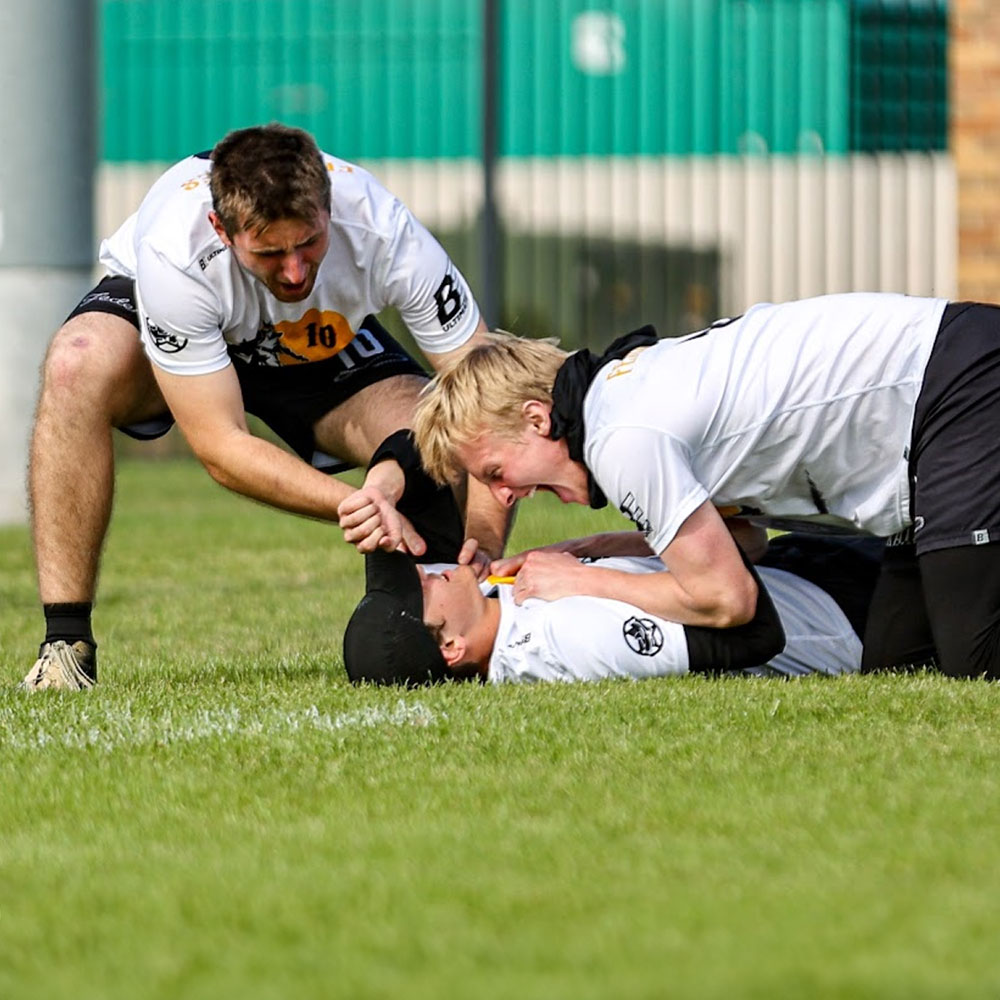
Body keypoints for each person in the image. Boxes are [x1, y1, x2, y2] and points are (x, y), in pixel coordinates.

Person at [23, 122, 507, 691]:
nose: (296, 271)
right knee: (75, 364)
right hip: (186, 326)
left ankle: (448, 619)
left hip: (313, 343)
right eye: (272, 252)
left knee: (431, 428)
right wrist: (361, 504)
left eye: (309, 243)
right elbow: (221, 447)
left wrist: (488, 543)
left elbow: (486, 397)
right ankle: (66, 643)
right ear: (221, 230)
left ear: (329, 206)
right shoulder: (174, 252)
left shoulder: (382, 225)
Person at [413, 295, 1000, 680]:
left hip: (953, 387)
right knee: (895, 668)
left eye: (494, 472)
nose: (506, 493)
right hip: (930, 412)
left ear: (538, 420)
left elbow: (730, 600)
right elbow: (747, 544)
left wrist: (583, 580)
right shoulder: (615, 396)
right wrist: (615, 546)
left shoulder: (622, 438)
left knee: (974, 661)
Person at [342, 532, 883, 685]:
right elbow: (747, 638)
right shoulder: (560, 645)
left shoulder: (504, 604)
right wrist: (584, 575)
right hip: (843, 610)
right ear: (453, 648)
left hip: (793, 565)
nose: (423, 570)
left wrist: (594, 548)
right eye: (420, 590)